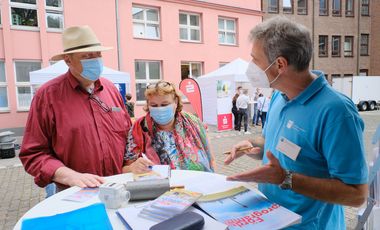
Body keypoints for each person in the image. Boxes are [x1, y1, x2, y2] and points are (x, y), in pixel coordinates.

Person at [224, 16, 368, 229]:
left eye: (255, 59)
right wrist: (252, 146)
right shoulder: (278, 96)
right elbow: (272, 143)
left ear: (280, 64)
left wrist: (285, 178)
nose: (251, 65)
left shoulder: (337, 112)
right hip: (270, 219)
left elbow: (356, 195)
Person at [19, 26, 132, 192]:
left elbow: (127, 136)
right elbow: (33, 153)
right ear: (68, 60)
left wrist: (134, 161)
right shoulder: (48, 95)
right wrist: (69, 175)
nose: (95, 60)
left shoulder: (111, 89)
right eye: (87, 56)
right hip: (74, 193)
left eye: (98, 54)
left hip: (118, 188)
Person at [122, 80, 215, 174]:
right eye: (154, 105)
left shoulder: (193, 123)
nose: (159, 109)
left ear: (175, 102)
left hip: (195, 185)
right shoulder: (139, 129)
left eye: (164, 104)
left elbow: (211, 159)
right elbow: (125, 169)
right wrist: (133, 168)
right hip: (159, 186)